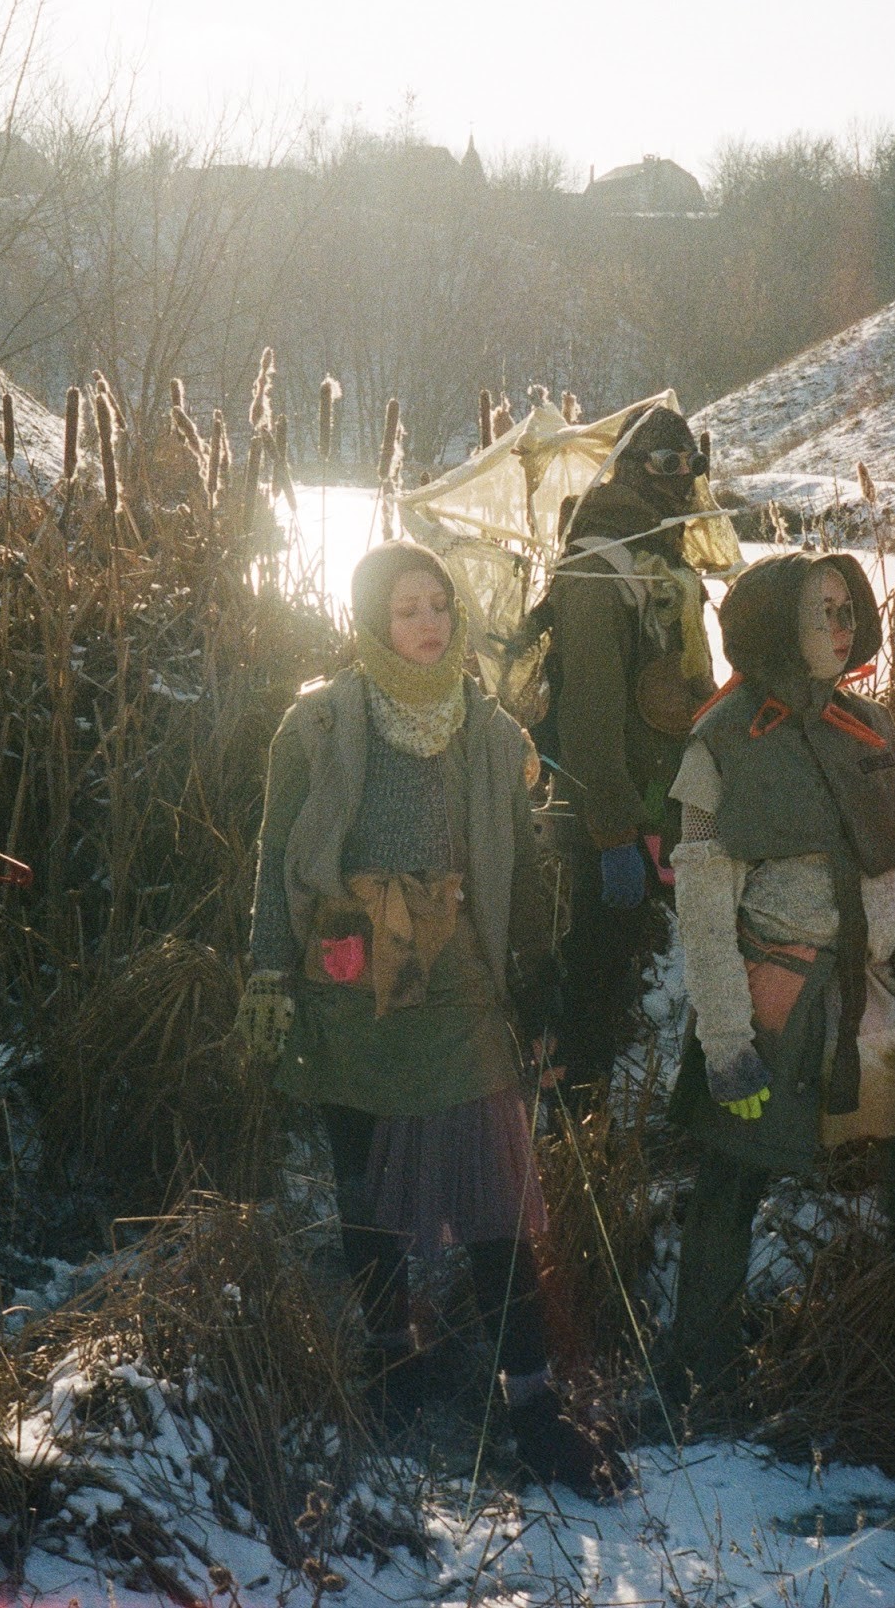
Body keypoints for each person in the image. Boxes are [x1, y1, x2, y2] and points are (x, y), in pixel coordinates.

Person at [234, 539, 619, 1497]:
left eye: (440, 603)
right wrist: (269, 974)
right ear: (373, 620)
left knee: (498, 1190)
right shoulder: (316, 724)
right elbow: (277, 853)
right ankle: (390, 1357)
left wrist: (534, 984)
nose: (430, 622)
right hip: (348, 974)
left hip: (457, 980)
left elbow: (521, 872)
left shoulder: (488, 732)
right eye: (408, 607)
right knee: (362, 1180)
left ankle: (530, 1397)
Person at [662, 551, 895, 1400]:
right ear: (771, 627)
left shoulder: (868, 724)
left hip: (874, 995)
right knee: (734, 1176)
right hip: (779, 1000)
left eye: (847, 609)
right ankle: (702, 1372)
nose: (840, 628)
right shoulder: (718, 743)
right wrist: (728, 1040)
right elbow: (703, 908)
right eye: (819, 612)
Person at [542, 403, 722, 1114]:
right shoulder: (596, 562)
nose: (682, 478)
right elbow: (588, 711)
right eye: (666, 462)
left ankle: (688, 1106)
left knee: (707, 948)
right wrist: (614, 833)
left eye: (691, 463)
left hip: (671, 797)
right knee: (598, 963)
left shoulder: (664, 552)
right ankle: (567, 1117)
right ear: (629, 468)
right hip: (618, 811)